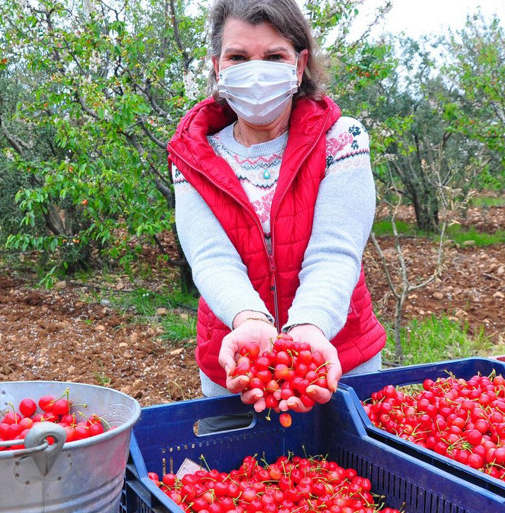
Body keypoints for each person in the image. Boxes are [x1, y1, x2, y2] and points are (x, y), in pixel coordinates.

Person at [168, 0, 386, 420]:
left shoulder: (342, 139)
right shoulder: (192, 154)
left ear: (299, 65)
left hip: (337, 358)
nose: (256, 71)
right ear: (217, 67)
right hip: (237, 362)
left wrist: (309, 327)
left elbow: (335, 251)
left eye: (274, 56)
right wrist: (249, 319)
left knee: (345, 460)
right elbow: (211, 257)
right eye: (238, 57)